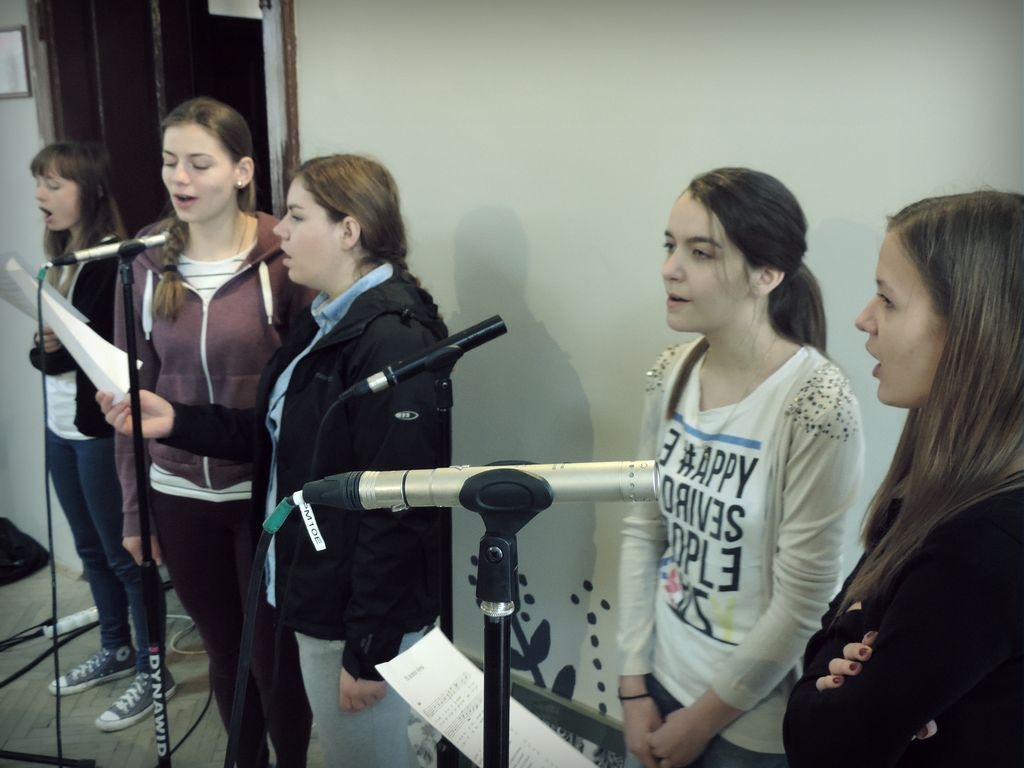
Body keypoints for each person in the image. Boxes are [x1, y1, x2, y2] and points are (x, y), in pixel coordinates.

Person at [101, 153, 448, 766]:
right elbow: (279, 437)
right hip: (315, 587)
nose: (279, 230)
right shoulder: (326, 318)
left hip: (352, 615)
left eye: (296, 215)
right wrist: (176, 419)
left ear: (349, 230)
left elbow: (400, 510)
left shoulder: (393, 337)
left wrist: (370, 651)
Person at [617, 168, 865, 768]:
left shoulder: (816, 404)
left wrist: (701, 722)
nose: (670, 268)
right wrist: (632, 683)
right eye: (670, 245)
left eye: (700, 253)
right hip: (659, 680)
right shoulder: (672, 371)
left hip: (745, 721)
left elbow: (804, 598)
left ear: (767, 274)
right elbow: (644, 531)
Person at [783, 191, 1024, 767]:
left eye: (888, 300)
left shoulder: (980, 547)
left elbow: (820, 744)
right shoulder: (935, 494)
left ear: (969, 331)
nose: (864, 318)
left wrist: (853, 644)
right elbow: (826, 644)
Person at [112, 97, 313, 761]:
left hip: (263, 497)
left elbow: (308, 390)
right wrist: (135, 512)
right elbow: (129, 402)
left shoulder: (284, 255)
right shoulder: (143, 263)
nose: (181, 178)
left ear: (242, 171)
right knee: (226, 656)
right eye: (170, 161)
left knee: (273, 659)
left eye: (200, 163)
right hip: (178, 496)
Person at [27, 141, 161, 732]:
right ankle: (115, 648)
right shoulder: (61, 259)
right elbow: (48, 357)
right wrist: (47, 348)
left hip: (99, 432)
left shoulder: (111, 263)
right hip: (60, 428)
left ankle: (152, 672)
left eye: (54, 184)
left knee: (124, 557)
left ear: (92, 191)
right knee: (89, 553)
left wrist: (55, 349)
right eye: (39, 183)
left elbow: (109, 362)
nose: (41, 195)